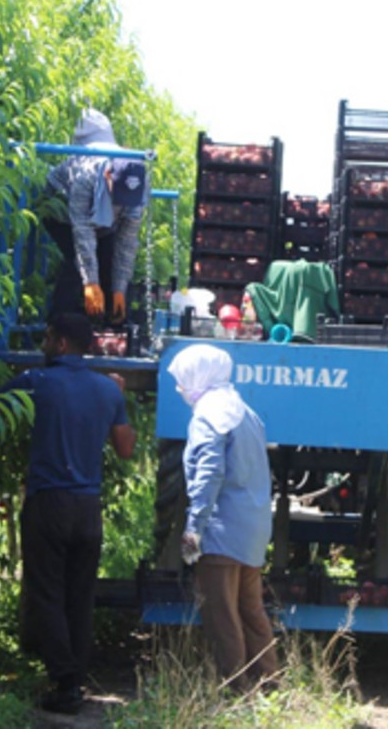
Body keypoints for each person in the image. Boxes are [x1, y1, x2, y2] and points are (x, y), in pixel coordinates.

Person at [0, 312, 136, 714]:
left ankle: (65, 682)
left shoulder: (37, 383)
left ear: (59, 344)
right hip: (88, 508)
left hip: (48, 503)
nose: (43, 344)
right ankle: (74, 675)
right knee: (79, 595)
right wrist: (118, 396)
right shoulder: (107, 390)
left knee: (46, 593)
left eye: (46, 337)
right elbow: (126, 449)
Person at [167, 344, 278, 691]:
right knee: (251, 610)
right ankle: (269, 684)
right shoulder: (245, 411)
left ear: (200, 376)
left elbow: (208, 474)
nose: (180, 388)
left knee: (222, 615)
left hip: (221, 531)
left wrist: (193, 531)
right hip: (253, 529)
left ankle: (236, 689)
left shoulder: (208, 416)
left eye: (183, 380)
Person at [43, 108, 148, 324]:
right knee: (77, 263)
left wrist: (119, 289)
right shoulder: (86, 177)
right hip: (61, 211)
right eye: (116, 197)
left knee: (109, 264)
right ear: (108, 176)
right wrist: (90, 283)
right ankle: (59, 327)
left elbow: (127, 242)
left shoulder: (137, 187)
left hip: (103, 223)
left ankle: (108, 325)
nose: (120, 204)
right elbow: (82, 233)